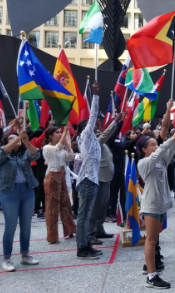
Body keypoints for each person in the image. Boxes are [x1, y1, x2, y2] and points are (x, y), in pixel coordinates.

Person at [137, 121, 175, 289]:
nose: (155, 146)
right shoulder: (143, 163)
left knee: (155, 239)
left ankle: (152, 268)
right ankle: (151, 276)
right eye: (151, 144)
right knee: (150, 240)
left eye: (155, 144)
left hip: (160, 204)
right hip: (150, 205)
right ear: (144, 149)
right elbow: (159, 151)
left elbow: (169, 150)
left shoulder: (160, 161)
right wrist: (170, 138)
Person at [0, 126, 40, 272]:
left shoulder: (25, 154)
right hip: (10, 192)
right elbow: (1, 154)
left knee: (26, 225)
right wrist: (17, 138)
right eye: (11, 138)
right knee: (10, 226)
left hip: (27, 190)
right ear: (6, 141)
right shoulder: (3, 154)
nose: (16, 140)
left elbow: (36, 155)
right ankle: (7, 259)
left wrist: (26, 142)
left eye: (17, 138)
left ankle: (25, 254)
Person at [74, 81, 104, 259]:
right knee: (83, 216)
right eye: (93, 123)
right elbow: (93, 116)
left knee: (86, 214)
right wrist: (96, 94)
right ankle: (81, 248)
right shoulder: (86, 135)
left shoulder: (92, 138)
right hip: (86, 180)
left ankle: (85, 245)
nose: (97, 123)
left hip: (91, 180)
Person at [87, 113, 123, 245]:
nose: (98, 132)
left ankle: (99, 229)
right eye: (95, 131)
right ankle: (90, 234)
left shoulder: (101, 143)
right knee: (95, 208)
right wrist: (115, 122)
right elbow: (104, 136)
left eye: (98, 131)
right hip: (98, 179)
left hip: (106, 178)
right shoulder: (93, 142)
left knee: (103, 207)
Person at [42, 123, 76, 243]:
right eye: (57, 132)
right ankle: (52, 236)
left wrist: (68, 144)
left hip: (61, 177)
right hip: (52, 177)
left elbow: (70, 157)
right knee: (52, 208)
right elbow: (57, 148)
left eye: (60, 132)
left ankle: (70, 230)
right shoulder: (47, 148)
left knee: (66, 204)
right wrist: (66, 132)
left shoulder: (60, 147)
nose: (60, 134)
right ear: (50, 136)